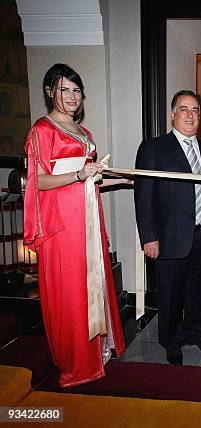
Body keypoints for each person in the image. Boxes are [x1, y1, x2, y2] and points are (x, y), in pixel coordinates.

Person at [23, 63, 127, 387]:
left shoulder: (86, 134)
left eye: (76, 90)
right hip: (63, 227)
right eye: (64, 89)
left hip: (89, 220)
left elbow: (89, 183)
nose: (71, 96)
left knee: (93, 282)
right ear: (49, 91)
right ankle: (76, 363)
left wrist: (121, 179)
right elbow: (37, 181)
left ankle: (98, 351)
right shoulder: (41, 130)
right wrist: (78, 174)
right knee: (71, 292)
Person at [134, 90, 201, 365]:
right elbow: (143, 196)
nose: (190, 114)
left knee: (198, 291)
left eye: (195, 109)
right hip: (169, 236)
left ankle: (195, 333)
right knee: (171, 294)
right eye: (184, 109)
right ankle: (171, 341)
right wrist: (148, 237)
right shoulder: (153, 148)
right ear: (173, 114)